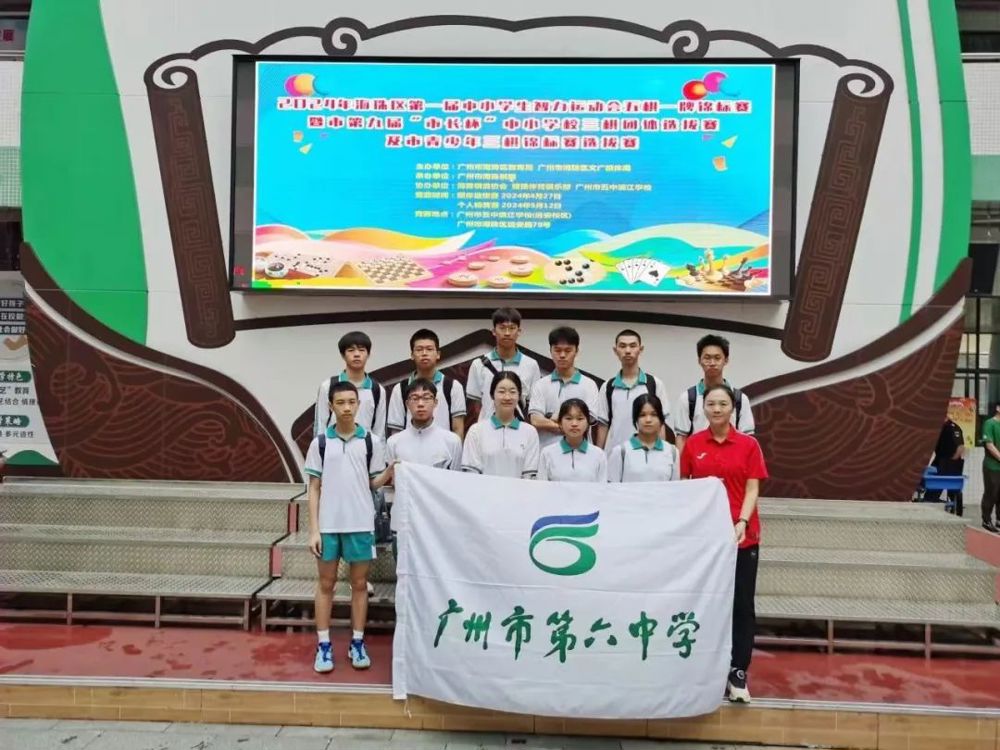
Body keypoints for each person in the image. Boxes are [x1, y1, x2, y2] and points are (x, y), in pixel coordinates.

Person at [679, 383, 768, 703]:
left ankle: (738, 670)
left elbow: (753, 488)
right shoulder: (693, 444)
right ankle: (706, 667)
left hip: (742, 537)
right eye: (711, 404)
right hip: (706, 540)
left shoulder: (748, 445)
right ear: (703, 408)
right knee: (707, 602)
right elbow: (686, 486)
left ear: (733, 409)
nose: (716, 409)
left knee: (741, 605)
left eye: (723, 404)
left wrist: (741, 521)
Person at [303, 381, 393, 673]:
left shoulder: (371, 442)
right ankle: (324, 645)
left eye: (351, 402)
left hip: (361, 524)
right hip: (328, 526)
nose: (346, 408)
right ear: (331, 406)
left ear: (358, 405)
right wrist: (314, 530)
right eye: (340, 403)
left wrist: (391, 471)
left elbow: (373, 483)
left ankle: (357, 642)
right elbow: (313, 488)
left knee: (359, 585)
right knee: (326, 585)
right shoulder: (319, 443)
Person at [672, 334, 754, 455]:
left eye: (717, 358)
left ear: (726, 360)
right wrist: (683, 466)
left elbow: (748, 439)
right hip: (699, 463)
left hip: (731, 463)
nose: (712, 363)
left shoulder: (740, 399)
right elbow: (681, 438)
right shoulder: (688, 398)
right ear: (699, 360)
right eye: (707, 358)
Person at [594, 329, 667, 451]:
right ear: (615, 350)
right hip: (614, 455)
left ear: (640, 349)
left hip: (646, 454)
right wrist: (599, 456)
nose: (628, 351)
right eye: (622, 346)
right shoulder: (608, 387)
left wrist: (662, 454)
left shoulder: (654, 384)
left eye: (632, 346)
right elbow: (603, 425)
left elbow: (660, 423)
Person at [466, 307, 541, 424]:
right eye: (502, 328)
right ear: (493, 331)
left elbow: (533, 405)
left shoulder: (531, 365)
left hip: (518, 428)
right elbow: (475, 405)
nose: (507, 333)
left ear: (519, 331)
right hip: (487, 429)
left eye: (512, 328)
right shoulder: (478, 364)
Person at [387, 329, 466, 438]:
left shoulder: (453, 387)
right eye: (419, 349)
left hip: (442, 448)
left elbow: (458, 429)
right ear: (412, 355)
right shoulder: (400, 389)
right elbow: (396, 432)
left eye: (429, 349)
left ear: (438, 354)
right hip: (409, 448)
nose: (424, 353)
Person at [529, 326, 599, 450]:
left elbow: (589, 419)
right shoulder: (540, 384)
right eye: (557, 350)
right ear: (550, 351)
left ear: (577, 351)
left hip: (581, 453)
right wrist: (568, 424)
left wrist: (553, 419)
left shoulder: (589, 385)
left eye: (568, 350)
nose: (562, 355)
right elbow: (536, 420)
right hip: (546, 453)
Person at [462, 371, 540, 479]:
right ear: (492, 395)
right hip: (484, 490)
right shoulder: (476, 431)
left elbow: (529, 477)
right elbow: (471, 476)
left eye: (512, 392)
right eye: (501, 392)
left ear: (519, 396)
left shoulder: (530, 432)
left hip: (519, 490)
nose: (507, 397)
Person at [314, 331, 387, 438]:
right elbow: (320, 426)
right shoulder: (328, 386)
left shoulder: (378, 390)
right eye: (351, 350)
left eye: (361, 350)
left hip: (366, 447)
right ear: (343, 355)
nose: (357, 354)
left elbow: (379, 431)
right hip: (332, 446)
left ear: (368, 354)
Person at [386, 378, 463, 473]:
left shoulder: (452, 441)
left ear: (435, 402)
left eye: (426, 398)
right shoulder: (393, 443)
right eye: (415, 398)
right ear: (407, 404)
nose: (420, 404)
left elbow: (456, 478)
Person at [607, 394, 680, 483]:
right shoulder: (621, 452)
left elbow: (674, 488)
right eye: (642, 415)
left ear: (661, 419)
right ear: (636, 420)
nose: (648, 420)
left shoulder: (672, 452)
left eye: (654, 414)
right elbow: (612, 489)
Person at [537, 398, 607, 482]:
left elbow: (602, 488)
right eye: (568, 418)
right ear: (560, 423)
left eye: (580, 419)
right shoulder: (547, 453)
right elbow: (542, 487)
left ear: (588, 424)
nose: (574, 424)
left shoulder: (599, 455)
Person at [924, 414, 965, 515]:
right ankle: (929, 501)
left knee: (942, 487)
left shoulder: (953, 428)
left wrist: (952, 460)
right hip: (940, 460)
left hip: (949, 463)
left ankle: (931, 502)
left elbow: (960, 447)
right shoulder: (939, 428)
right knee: (932, 487)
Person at [981, 402, 1000, 533]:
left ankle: (999, 519)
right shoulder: (989, 423)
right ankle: (986, 520)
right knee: (991, 493)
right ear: (998, 408)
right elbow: (989, 445)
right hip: (992, 466)